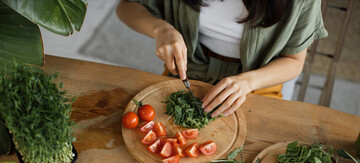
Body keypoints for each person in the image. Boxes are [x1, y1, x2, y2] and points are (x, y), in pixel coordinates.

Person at [116, 0, 327, 117]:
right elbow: (126, 6)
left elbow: (294, 61)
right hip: (190, 70)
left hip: (260, 81)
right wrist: (160, 28)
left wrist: (247, 82)